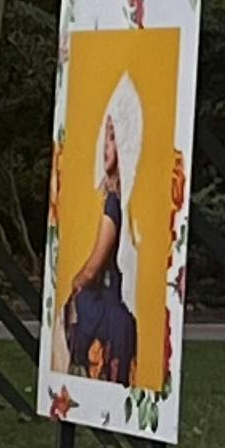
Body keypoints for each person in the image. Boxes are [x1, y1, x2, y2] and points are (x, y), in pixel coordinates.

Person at [58, 71, 143, 385]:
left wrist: (74, 284)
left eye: (113, 135)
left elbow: (93, 267)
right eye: (106, 135)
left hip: (112, 309)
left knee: (70, 307)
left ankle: (75, 373)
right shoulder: (121, 197)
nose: (108, 145)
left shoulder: (115, 202)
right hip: (115, 306)